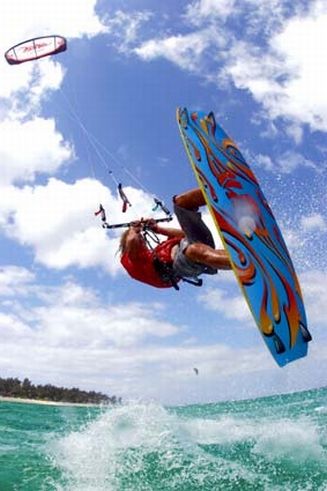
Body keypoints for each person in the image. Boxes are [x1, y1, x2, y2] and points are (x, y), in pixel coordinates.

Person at [120, 188, 232, 289]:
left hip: (194, 246)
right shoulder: (132, 259)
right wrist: (133, 228)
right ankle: (237, 260)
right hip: (180, 267)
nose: (142, 239)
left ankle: (225, 191)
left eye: (141, 237)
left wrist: (158, 229)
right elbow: (132, 241)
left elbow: (184, 234)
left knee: (180, 202)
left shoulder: (161, 248)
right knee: (193, 250)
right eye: (140, 238)